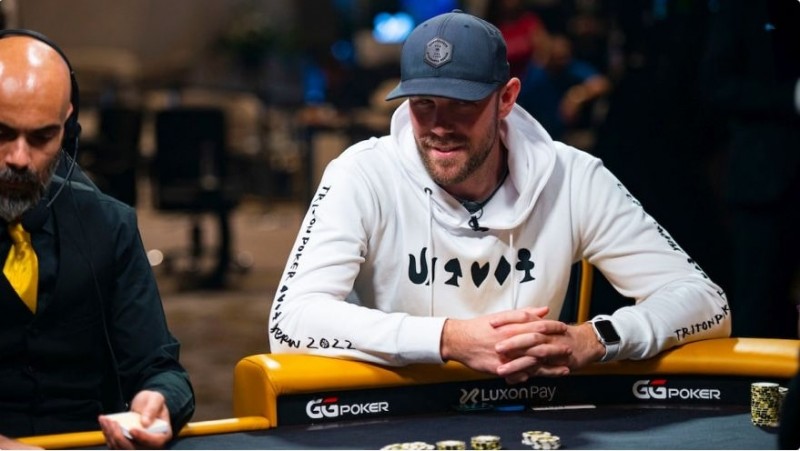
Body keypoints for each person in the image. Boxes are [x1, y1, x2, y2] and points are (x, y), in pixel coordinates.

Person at [268, 10, 730, 383]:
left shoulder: (573, 176)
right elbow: (290, 322)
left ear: (506, 98)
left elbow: (707, 302)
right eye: (423, 103)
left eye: (462, 103)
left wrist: (595, 338)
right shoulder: (362, 173)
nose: (440, 126)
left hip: (531, 408)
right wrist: (448, 339)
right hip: (397, 409)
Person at [0, 30, 194, 449]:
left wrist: (158, 400)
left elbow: (162, 370)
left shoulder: (109, 224)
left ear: (68, 129)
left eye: (41, 137)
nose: (19, 158)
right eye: (1, 134)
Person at [700, 0, 800, 339]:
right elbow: (715, 84)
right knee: (759, 302)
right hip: (764, 182)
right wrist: (790, 96)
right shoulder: (743, 9)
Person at [516, 32, 611, 143]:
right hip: (538, 134)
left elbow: (602, 83)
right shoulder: (536, 74)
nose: (561, 61)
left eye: (564, 57)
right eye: (557, 57)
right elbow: (520, 99)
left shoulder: (573, 69)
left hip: (570, 135)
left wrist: (576, 96)